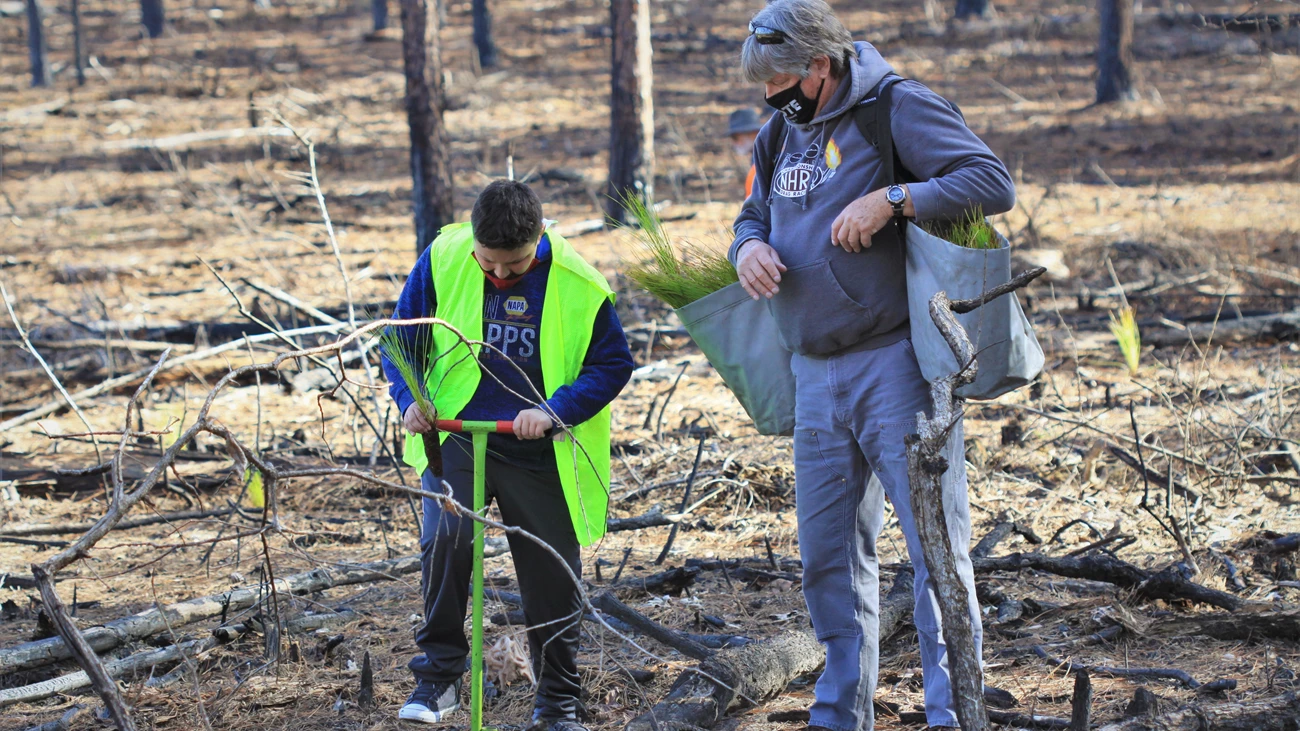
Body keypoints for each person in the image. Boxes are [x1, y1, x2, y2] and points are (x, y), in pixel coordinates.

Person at [729, 2, 1016, 730]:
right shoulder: (779, 134)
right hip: (814, 371)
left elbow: (991, 180)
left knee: (936, 550)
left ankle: (953, 712)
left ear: (820, 68)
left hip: (898, 362)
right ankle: (841, 715)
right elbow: (752, 215)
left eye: (782, 81)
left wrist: (896, 198)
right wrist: (747, 248)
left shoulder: (896, 106)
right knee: (827, 559)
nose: (770, 98)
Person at [383, 180, 635, 729]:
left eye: (514, 266)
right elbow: (401, 341)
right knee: (446, 540)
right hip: (457, 433)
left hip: (538, 448)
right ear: (473, 241)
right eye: (488, 264)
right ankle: (439, 677)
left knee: (550, 569)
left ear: (540, 238)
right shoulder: (444, 256)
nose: (499, 275)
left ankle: (558, 702)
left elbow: (613, 365)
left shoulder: (578, 284)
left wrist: (554, 409)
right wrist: (409, 398)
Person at [727, 107, 765, 198]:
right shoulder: (758, 157)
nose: (733, 143)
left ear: (753, 133)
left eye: (735, 137)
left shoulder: (767, 159)